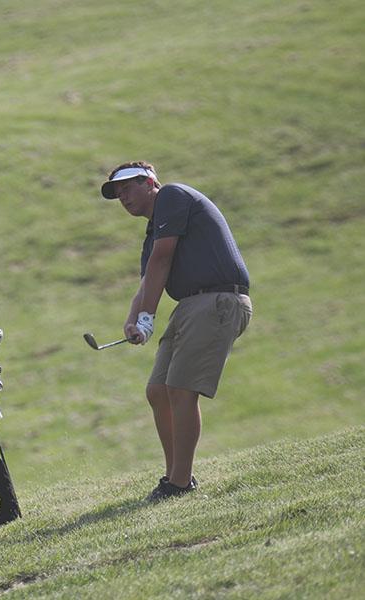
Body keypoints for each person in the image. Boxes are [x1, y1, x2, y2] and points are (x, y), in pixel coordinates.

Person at [100, 161, 252, 501]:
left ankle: (179, 483)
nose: (122, 197)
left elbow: (162, 261)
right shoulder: (154, 232)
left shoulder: (171, 196)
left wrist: (147, 319)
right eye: (117, 193)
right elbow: (146, 281)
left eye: (128, 187)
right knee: (158, 390)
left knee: (181, 390)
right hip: (191, 306)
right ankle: (174, 476)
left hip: (217, 300)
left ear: (150, 181)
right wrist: (132, 319)